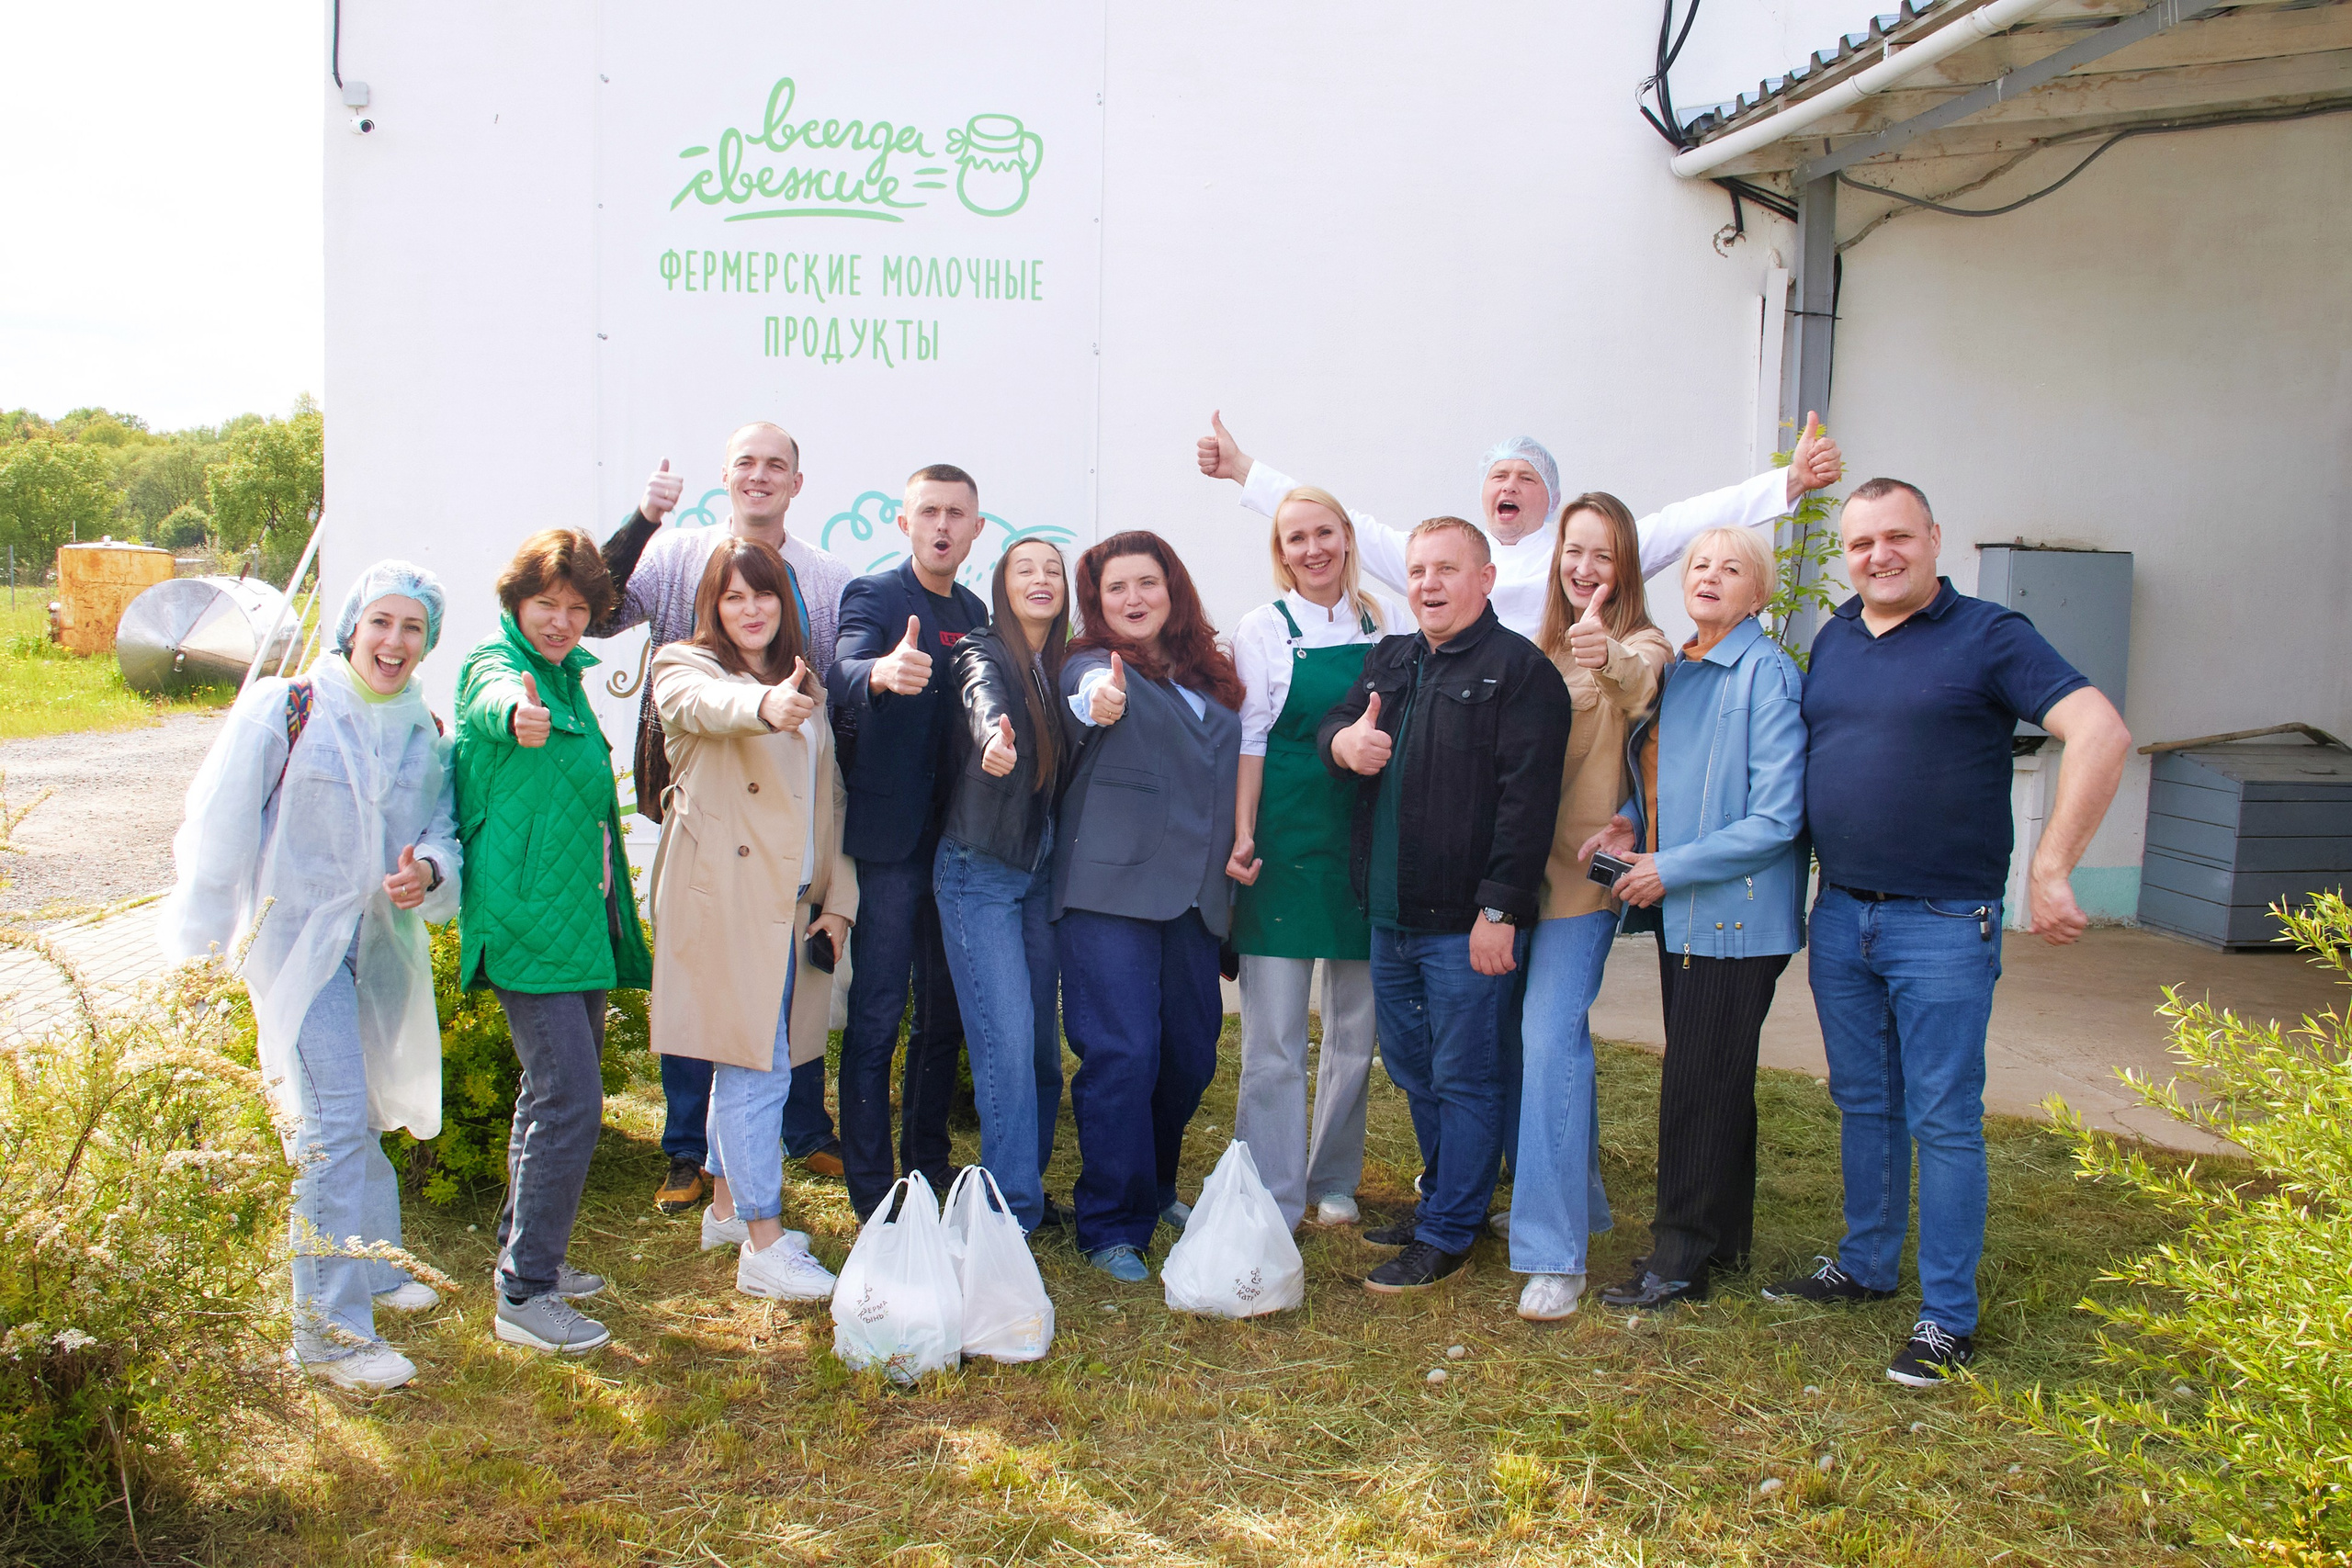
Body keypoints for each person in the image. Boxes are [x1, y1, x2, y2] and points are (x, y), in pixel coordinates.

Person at [1763, 478, 2129, 1388]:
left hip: (1942, 922)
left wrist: (2050, 866)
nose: (1878, 556)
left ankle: (1946, 1317)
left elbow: (2099, 731)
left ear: (1933, 537)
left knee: (1944, 1118)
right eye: (1860, 544)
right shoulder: (1835, 639)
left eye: (1896, 537)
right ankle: (1864, 1263)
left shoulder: (1989, 635)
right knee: (1864, 1100)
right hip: (1842, 913)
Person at [161, 562, 460, 1394]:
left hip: (378, 945)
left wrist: (429, 871)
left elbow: (444, 830)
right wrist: (196, 955)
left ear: (428, 640)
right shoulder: (287, 708)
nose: (394, 641)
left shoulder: (423, 730)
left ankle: (374, 1266)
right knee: (330, 1117)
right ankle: (329, 1333)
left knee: (362, 1105)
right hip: (297, 944)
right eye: (381, 622)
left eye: (412, 628)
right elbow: (219, 831)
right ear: (351, 626)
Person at [595, 425, 856, 1216]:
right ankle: (690, 1153)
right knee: (710, 999)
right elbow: (605, 616)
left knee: (784, 993)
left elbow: (832, 694)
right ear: (724, 475)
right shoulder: (677, 557)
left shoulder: (828, 577)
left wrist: (838, 885)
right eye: (746, 462)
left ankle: (794, 1132)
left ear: (797, 482)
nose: (760, 475)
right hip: (710, 800)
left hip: (788, 810)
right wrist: (641, 520)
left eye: (776, 464)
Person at [1318, 518, 1572, 1293]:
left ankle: (1448, 1231)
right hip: (1390, 914)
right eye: (1418, 570)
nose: (1428, 583)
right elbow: (1336, 723)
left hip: (1466, 924)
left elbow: (1528, 805)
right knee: (1412, 1066)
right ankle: (1449, 1198)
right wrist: (1343, 745)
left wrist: (1500, 911)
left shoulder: (1520, 672)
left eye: (1447, 569)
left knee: (1466, 1074)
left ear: (1485, 580)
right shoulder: (1392, 658)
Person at [1574, 526, 1807, 1315]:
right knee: (1718, 1077)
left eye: (1731, 568)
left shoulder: (1766, 675)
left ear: (1758, 592)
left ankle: (1678, 1258)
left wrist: (1668, 867)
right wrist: (1631, 825)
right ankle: (1722, 1240)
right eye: (1700, 564)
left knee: (1696, 1087)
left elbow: (1776, 818)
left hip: (1734, 916)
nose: (1709, 575)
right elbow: (1667, 780)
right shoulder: (1688, 667)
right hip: (1689, 910)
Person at [456, 529, 653, 1356]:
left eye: (577, 608)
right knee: (572, 1097)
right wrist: (516, 713)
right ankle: (526, 1291)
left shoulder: (570, 680)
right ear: (517, 602)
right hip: (526, 921)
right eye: (547, 604)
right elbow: (491, 699)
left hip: (577, 920)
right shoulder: (497, 667)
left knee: (547, 1095)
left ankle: (524, 1251)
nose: (562, 620)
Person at [648, 538, 856, 1302]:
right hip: (725, 901)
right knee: (756, 1064)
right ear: (712, 604)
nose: (750, 608)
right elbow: (702, 707)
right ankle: (765, 1244)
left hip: (792, 905)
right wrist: (764, 707)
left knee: (752, 1056)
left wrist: (838, 902)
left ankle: (727, 1209)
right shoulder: (682, 666)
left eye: (763, 593)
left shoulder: (810, 688)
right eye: (733, 595)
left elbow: (829, 802)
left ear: (786, 602)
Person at [1195, 412, 1844, 634]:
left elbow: (1684, 522)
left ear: (1551, 500)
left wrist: (1787, 481)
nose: (1509, 485)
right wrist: (1242, 469)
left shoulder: (1579, 555)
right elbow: (1339, 522)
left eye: (1526, 478)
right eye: (1498, 476)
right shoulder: (1439, 557)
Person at [1055, 531, 1244, 1281]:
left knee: (1191, 1055)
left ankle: (1155, 1185)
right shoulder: (1092, 665)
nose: (1133, 599)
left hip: (1196, 897)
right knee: (1123, 1052)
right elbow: (1084, 698)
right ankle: (1110, 1222)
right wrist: (1095, 700)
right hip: (1109, 894)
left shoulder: (1212, 676)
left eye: (1147, 583)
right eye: (1116, 588)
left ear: (1173, 590)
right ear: (1097, 603)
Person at [1509, 494, 1674, 1321]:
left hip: (1583, 882)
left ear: (1626, 567)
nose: (1584, 567)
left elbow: (1640, 683)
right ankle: (1584, 1202)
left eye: (1602, 555)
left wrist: (1604, 650)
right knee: (1527, 1042)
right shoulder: (1536, 649)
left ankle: (1554, 1254)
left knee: (1550, 1040)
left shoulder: (1642, 641)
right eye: (1574, 551)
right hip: (1514, 881)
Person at [823, 464, 989, 1221]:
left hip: (956, 843)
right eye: (929, 511)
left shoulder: (976, 608)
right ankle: (873, 1191)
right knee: (878, 1012)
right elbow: (842, 668)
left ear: (976, 529)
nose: (942, 526)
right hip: (889, 846)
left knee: (943, 1013)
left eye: (956, 513)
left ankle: (927, 1165)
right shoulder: (876, 593)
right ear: (905, 522)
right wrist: (882, 672)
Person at [1226, 486, 1392, 1232]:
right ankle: (1271, 1185)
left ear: (1348, 537)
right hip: (1284, 842)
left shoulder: (1385, 624)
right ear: (1281, 552)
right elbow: (1251, 737)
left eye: (1324, 532)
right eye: (1296, 537)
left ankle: (1333, 1178)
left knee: (1356, 1029)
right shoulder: (1262, 628)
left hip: (1363, 839)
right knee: (1275, 1035)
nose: (1313, 548)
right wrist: (1244, 832)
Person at [932, 537, 1072, 1233]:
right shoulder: (983, 649)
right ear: (1003, 586)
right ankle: (1007, 1212)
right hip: (979, 869)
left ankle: (1023, 1188)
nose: (1041, 579)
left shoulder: (1061, 666)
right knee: (1006, 1042)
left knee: (1041, 1048)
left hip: (1038, 870)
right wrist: (993, 737)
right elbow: (980, 695)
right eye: (1026, 569)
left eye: (1053, 570)